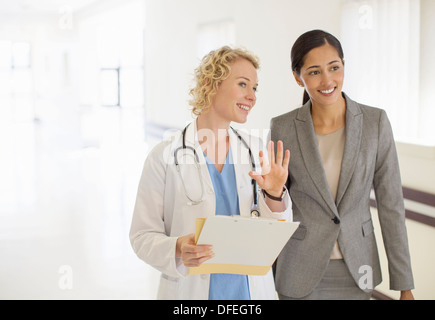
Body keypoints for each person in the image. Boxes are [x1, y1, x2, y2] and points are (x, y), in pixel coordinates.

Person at [130, 46, 292, 300]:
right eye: (243, 84)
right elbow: (141, 237)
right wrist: (177, 247)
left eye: (255, 88)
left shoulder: (256, 150)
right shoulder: (165, 155)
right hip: (190, 294)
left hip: (250, 293)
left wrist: (274, 194)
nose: (252, 96)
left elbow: (273, 232)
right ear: (210, 84)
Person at [270, 30, 415, 300]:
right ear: (297, 76)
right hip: (298, 270)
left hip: (358, 270)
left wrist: (404, 286)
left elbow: (391, 206)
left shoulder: (375, 123)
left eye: (334, 68)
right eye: (314, 72)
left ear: (344, 66)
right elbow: (276, 206)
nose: (327, 80)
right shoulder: (282, 127)